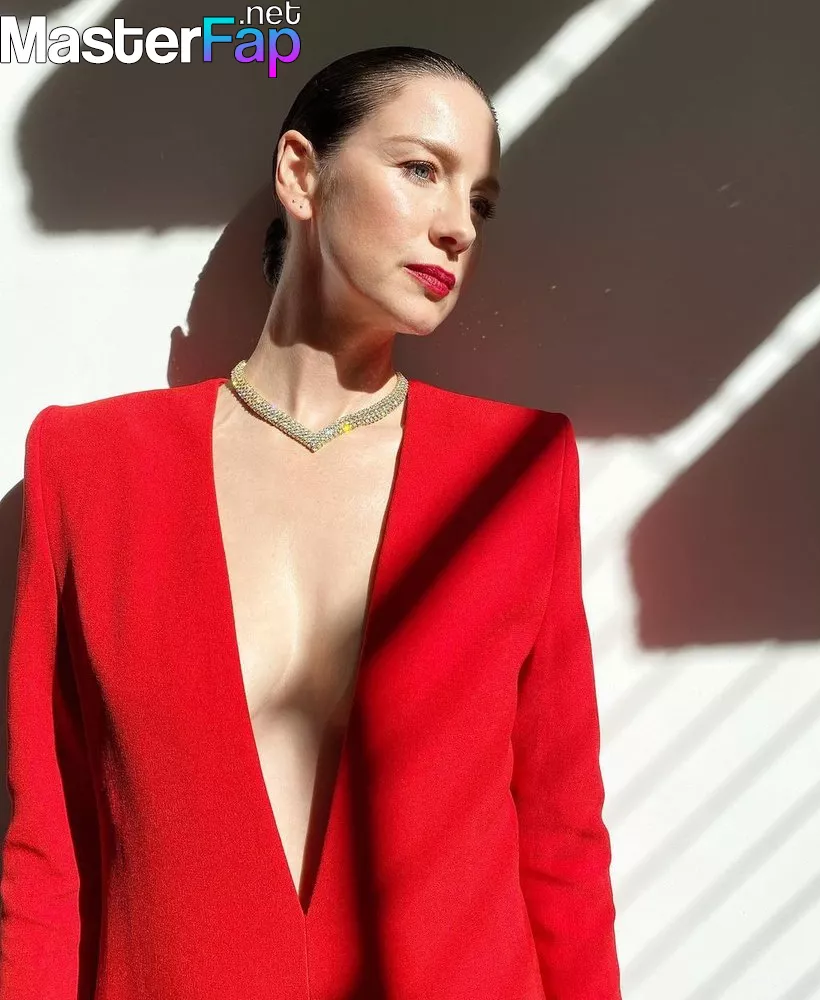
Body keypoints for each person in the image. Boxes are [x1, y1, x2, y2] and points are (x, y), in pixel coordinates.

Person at [0, 45, 621, 1000]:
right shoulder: (90, 467)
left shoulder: (516, 473)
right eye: (421, 169)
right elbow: (49, 849)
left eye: (481, 202)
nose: (458, 226)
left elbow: (561, 838)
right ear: (301, 172)